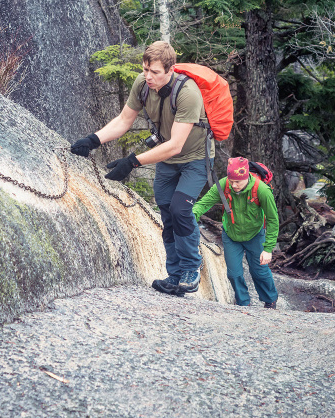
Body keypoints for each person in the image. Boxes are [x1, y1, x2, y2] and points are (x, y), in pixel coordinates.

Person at [69, 41, 210, 296]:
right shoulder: (142, 85)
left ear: (171, 70)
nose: (148, 76)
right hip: (166, 163)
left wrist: (132, 162)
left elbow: (176, 145)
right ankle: (175, 276)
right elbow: (124, 120)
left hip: (193, 160)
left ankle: (191, 269)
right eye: (145, 69)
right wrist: (93, 140)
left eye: (154, 72)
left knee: (180, 209)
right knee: (166, 214)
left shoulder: (188, 92)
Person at [192, 157, 279, 308]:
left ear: (246, 176)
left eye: (238, 182)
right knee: (234, 273)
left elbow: (273, 220)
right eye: (231, 181)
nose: (234, 185)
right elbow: (203, 204)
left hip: (255, 235)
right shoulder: (224, 185)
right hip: (231, 235)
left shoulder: (262, 190)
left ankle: (270, 300)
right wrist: (189, 217)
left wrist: (268, 249)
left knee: (259, 271)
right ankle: (243, 303)